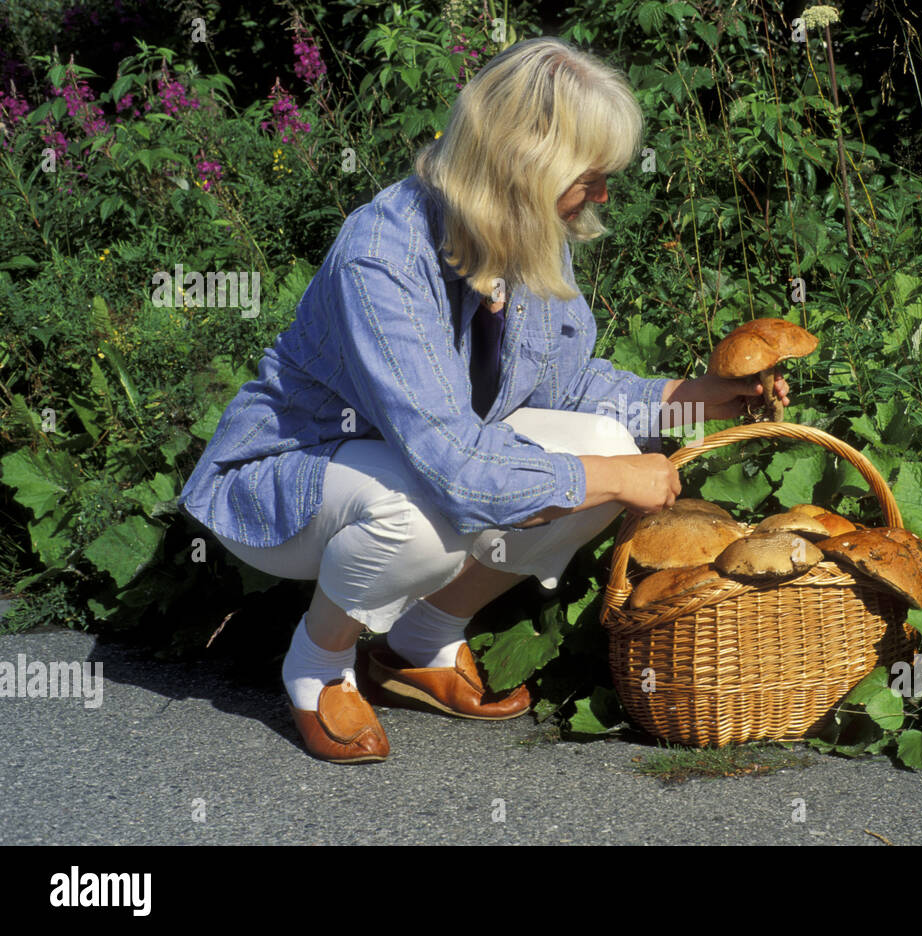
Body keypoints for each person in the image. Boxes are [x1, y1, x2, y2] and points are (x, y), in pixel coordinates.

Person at [177, 36, 791, 764]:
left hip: (416, 467)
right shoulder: (383, 254)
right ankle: (317, 664)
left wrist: (694, 400)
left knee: (603, 446)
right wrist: (616, 482)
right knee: (429, 508)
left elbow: (569, 389)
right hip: (291, 476)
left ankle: (419, 644)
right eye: (590, 177)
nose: (602, 195)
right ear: (527, 165)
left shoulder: (533, 229)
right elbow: (454, 464)